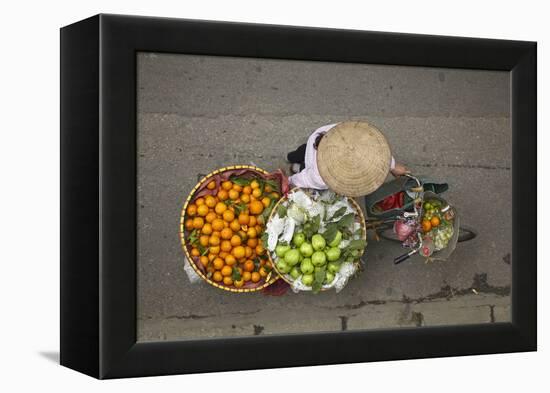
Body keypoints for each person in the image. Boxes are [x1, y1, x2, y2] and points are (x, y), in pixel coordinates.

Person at [287, 121, 409, 197]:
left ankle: (291, 157)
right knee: (305, 165)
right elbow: (304, 179)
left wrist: (392, 165)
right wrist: (289, 181)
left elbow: (376, 154)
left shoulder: (351, 132)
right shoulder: (320, 177)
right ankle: (296, 165)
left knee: (301, 151)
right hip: (313, 154)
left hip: (318, 137)